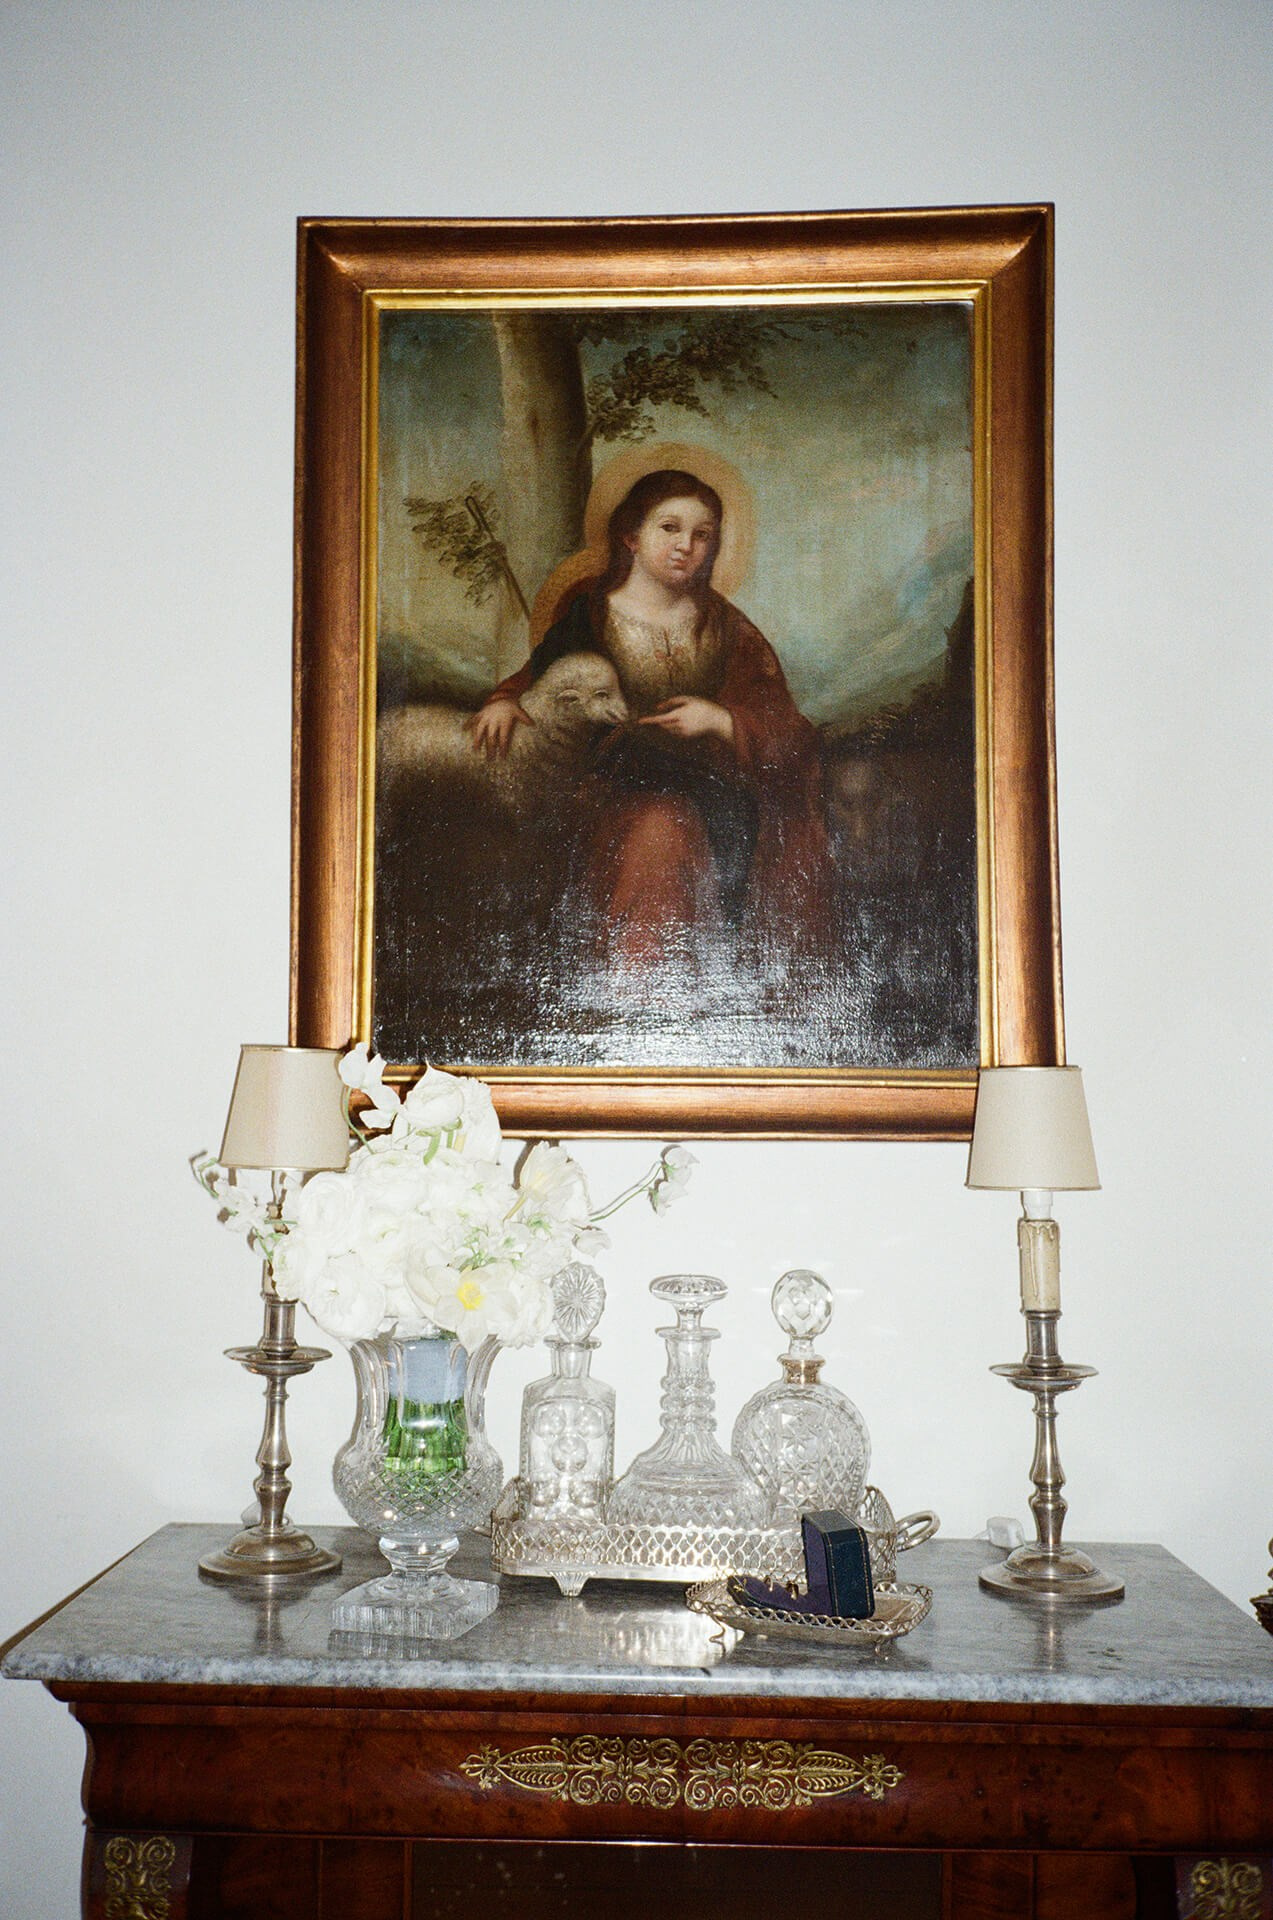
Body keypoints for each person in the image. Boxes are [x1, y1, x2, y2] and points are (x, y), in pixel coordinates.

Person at [471, 467, 831, 971]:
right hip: (610, 788)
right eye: (669, 528)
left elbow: (784, 723)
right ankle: (641, 987)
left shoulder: (725, 626)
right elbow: (542, 678)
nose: (686, 544)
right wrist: (505, 701)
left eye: (702, 534)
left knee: (694, 822)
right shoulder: (591, 613)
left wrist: (722, 721)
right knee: (661, 829)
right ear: (631, 535)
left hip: (716, 790)